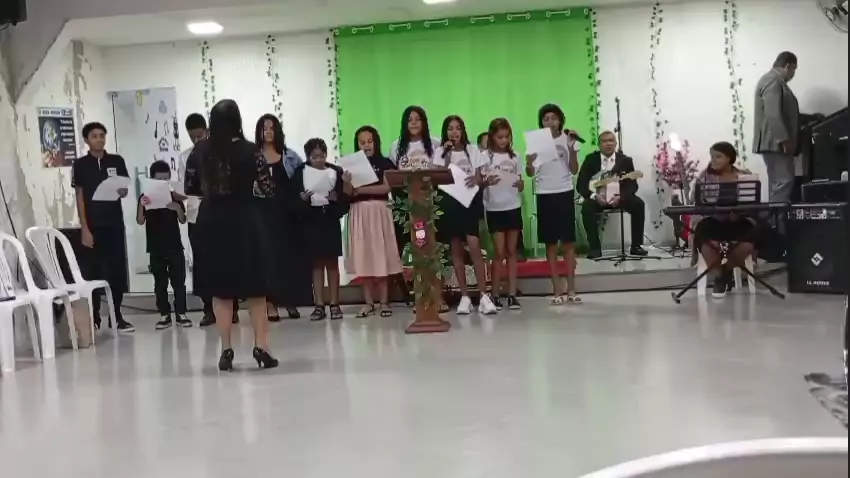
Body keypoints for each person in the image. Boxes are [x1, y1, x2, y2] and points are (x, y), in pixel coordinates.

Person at [193, 99, 279, 371]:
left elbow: (192, 186)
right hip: (244, 220)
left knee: (221, 289)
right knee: (255, 288)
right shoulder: (250, 150)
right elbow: (267, 189)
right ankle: (261, 347)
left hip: (211, 221)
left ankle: (226, 349)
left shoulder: (202, 150)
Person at [71, 122, 135, 332]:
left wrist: (123, 191)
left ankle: (116, 316)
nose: (99, 139)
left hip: (114, 223)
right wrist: (84, 228)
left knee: (117, 271)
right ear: (87, 140)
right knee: (93, 272)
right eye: (94, 136)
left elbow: (123, 188)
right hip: (93, 225)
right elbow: (80, 196)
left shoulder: (116, 161)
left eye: (102, 135)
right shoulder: (80, 165)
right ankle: (95, 315)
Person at [434, 115, 497, 315]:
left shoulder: (472, 150)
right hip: (450, 204)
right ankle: (464, 297)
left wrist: (477, 181)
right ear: (445, 132)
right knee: (456, 250)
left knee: (474, 247)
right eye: (450, 129)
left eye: (458, 128)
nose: (454, 132)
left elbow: (479, 178)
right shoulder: (440, 151)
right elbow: (439, 177)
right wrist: (445, 154)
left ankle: (484, 296)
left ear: (463, 131)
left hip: (469, 203)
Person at [182, 114, 240, 328]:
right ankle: (208, 308)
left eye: (200, 135)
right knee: (202, 262)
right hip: (196, 214)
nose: (197, 140)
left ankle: (232, 308)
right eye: (193, 137)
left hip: (221, 213)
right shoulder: (185, 157)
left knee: (227, 260)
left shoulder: (221, 153)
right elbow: (185, 187)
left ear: (207, 131)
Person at [389, 106, 448, 312]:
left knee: (434, 251)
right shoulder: (396, 147)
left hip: (432, 207)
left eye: (418, 119)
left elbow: (441, 173)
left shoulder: (435, 144)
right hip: (410, 210)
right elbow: (394, 178)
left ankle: (438, 297)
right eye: (410, 119)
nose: (414, 123)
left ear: (424, 122)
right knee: (418, 251)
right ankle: (421, 298)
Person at [526, 104, 582, 305]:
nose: (550, 122)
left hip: (564, 192)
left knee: (568, 243)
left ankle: (571, 288)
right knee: (550, 244)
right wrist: (529, 162)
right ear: (541, 122)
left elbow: (574, 170)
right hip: (544, 193)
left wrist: (571, 149)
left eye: (554, 118)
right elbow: (530, 173)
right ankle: (557, 289)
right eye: (546, 119)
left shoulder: (568, 139)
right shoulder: (536, 142)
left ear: (560, 120)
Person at [347, 126, 403, 318]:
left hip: (380, 211)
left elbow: (386, 188)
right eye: (362, 142)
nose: (366, 146)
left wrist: (360, 190)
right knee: (364, 256)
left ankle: (384, 302)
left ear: (376, 142)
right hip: (358, 212)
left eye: (370, 141)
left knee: (381, 255)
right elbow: (347, 192)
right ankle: (368, 302)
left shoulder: (385, 162)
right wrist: (346, 182)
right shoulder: (352, 165)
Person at [293, 138, 352, 321]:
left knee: (332, 263)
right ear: (308, 157)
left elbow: (345, 201)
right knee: (316, 264)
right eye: (314, 157)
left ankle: (335, 304)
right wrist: (302, 200)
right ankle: (319, 304)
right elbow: (292, 200)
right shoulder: (300, 172)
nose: (318, 160)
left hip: (329, 220)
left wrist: (337, 198)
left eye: (321, 156)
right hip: (311, 221)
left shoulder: (336, 171)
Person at [692, 142, 757, 299]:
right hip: (713, 219)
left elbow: (753, 203)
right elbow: (697, 201)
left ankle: (726, 271)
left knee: (752, 235)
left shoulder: (745, 175)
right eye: (712, 156)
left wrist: (740, 213)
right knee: (703, 234)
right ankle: (718, 278)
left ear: (729, 158)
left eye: (718, 156)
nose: (713, 160)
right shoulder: (704, 177)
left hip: (738, 220)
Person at [255, 114, 304, 321]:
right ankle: (270, 303)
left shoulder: (290, 156)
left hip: (286, 214)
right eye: (264, 128)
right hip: (262, 214)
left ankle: (289, 300)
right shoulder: (253, 155)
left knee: (288, 258)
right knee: (267, 259)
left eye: (271, 128)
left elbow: (300, 181)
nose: (268, 132)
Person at [137, 161, 191, 329]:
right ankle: (164, 314)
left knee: (179, 281)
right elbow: (140, 220)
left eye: (165, 179)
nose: (163, 183)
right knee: (160, 283)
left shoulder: (174, 196)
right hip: (155, 246)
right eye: (159, 180)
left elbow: (183, 220)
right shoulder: (145, 197)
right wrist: (141, 205)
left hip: (174, 244)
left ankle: (181, 313)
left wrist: (177, 208)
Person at [577, 131, 648, 258]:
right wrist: (594, 196)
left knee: (638, 204)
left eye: (611, 141)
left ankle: (636, 246)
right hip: (598, 198)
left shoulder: (625, 160)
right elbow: (581, 184)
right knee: (587, 207)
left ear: (616, 143)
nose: (608, 144)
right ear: (599, 144)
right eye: (604, 141)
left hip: (619, 197)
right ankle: (594, 248)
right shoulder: (590, 160)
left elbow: (632, 185)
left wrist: (621, 197)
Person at [483, 118, 524, 310]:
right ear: (492, 136)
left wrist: (521, 185)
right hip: (494, 207)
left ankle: (512, 293)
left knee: (512, 251)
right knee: (499, 252)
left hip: (512, 206)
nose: (503, 140)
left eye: (506, 137)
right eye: (500, 137)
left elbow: (520, 182)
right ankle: (495, 294)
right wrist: (486, 183)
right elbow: (479, 182)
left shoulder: (515, 156)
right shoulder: (485, 157)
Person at [753, 51, 799, 203]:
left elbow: (784, 113)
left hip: (774, 142)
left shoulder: (773, 81)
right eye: (794, 69)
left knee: (778, 184)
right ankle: (777, 218)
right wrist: (784, 140)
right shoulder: (773, 81)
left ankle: (776, 217)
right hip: (775, 143)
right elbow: (773, 114)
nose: (793, 74)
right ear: (788, 66)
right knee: (783, 182)